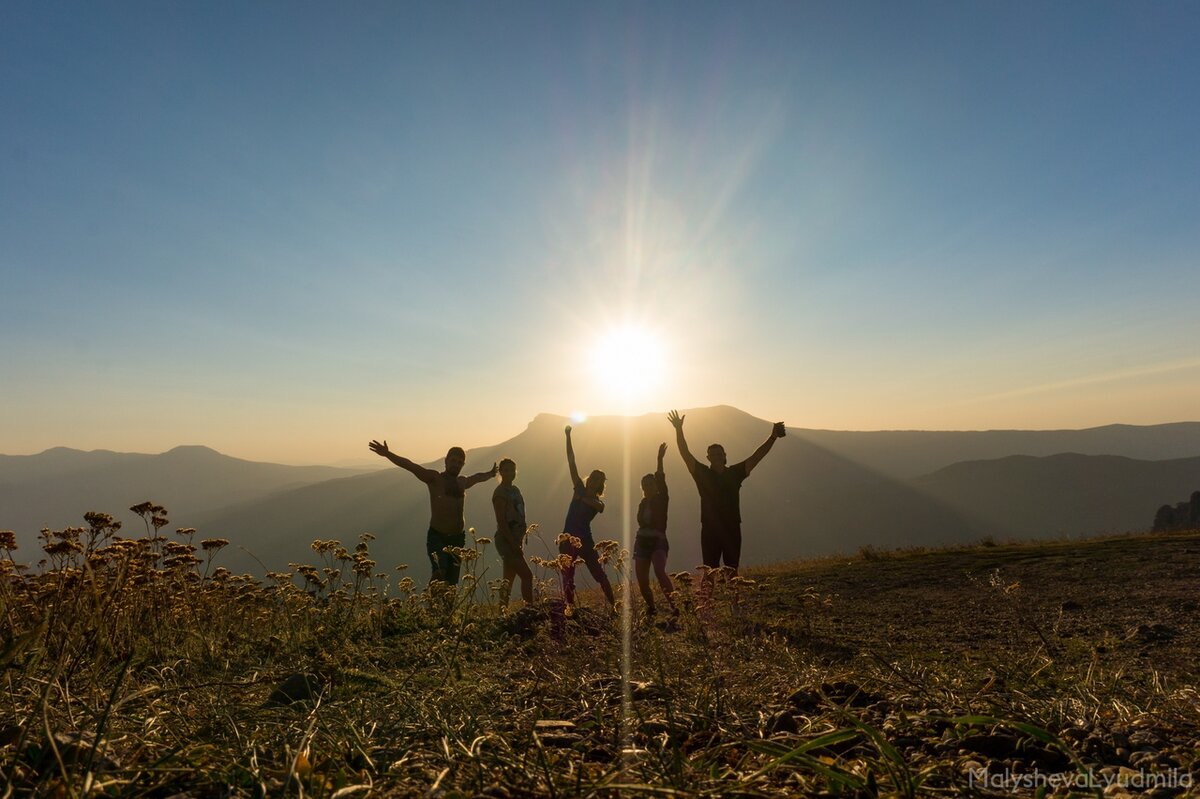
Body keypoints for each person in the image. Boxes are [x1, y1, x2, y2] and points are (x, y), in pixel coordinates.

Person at [667, 410, 785, 577]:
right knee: (709, 571)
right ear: (708, 457)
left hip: (731, 527)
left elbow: (757, 456)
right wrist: (678, 430)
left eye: (719, 453)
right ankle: (708, 604)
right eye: (713, 454)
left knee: (732, 570)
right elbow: (685, 453)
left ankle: (733, 603)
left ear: (724, 456)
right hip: (710, 528)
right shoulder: (702, 474)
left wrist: (772, 437)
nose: (716, 456)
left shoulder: (735, 473)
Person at [368, 439, 496, 585]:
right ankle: (431, 601)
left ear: (463, 465)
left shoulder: (462, 482)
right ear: (446, 461)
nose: (456, 464)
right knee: (440, 571)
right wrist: (388, 454)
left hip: (458, 539)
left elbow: (478, 477)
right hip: (438, 537)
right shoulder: (435, 478)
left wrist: (491, 474)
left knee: (452, 581)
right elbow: (411, 466)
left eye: (460, 462)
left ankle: (444, 607)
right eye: (453, 460)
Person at [558, 425, 615, 609]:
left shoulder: (592, 499)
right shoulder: (581, 491)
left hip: (582, 540)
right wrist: (568, 437)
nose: (592, 480)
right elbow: (571, 462)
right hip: (571, 539)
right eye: (592, 477)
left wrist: (582, 498)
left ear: (599, 485)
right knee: (568, 576)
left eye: (596, 480)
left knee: (598, 574)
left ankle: (614, 606)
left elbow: (600, 507)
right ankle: (570, 609)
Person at [634, 442, 676, 619]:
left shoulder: (662, 498)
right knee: (642, 580)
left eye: (651, 484)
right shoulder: (643, 503)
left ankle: (675, 606)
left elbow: (660, 476)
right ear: (643, 488)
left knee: (659, 571)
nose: (649, 486)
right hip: (642, 541)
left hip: (658, 541)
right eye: (646, 484)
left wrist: (659, 459)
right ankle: (651, 608)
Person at [492, 458, 534, 607]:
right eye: (507, 470)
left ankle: (501, 612)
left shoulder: (515, 490)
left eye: (513, 470)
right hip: (506, 540)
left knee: (508, 580)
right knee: (527, 576)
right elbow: (502, 522)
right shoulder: (500, 493)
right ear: (501, 472)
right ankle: (530, 610)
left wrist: (519, 540)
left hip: (515, 540)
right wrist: (513, 544)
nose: (510, 473)